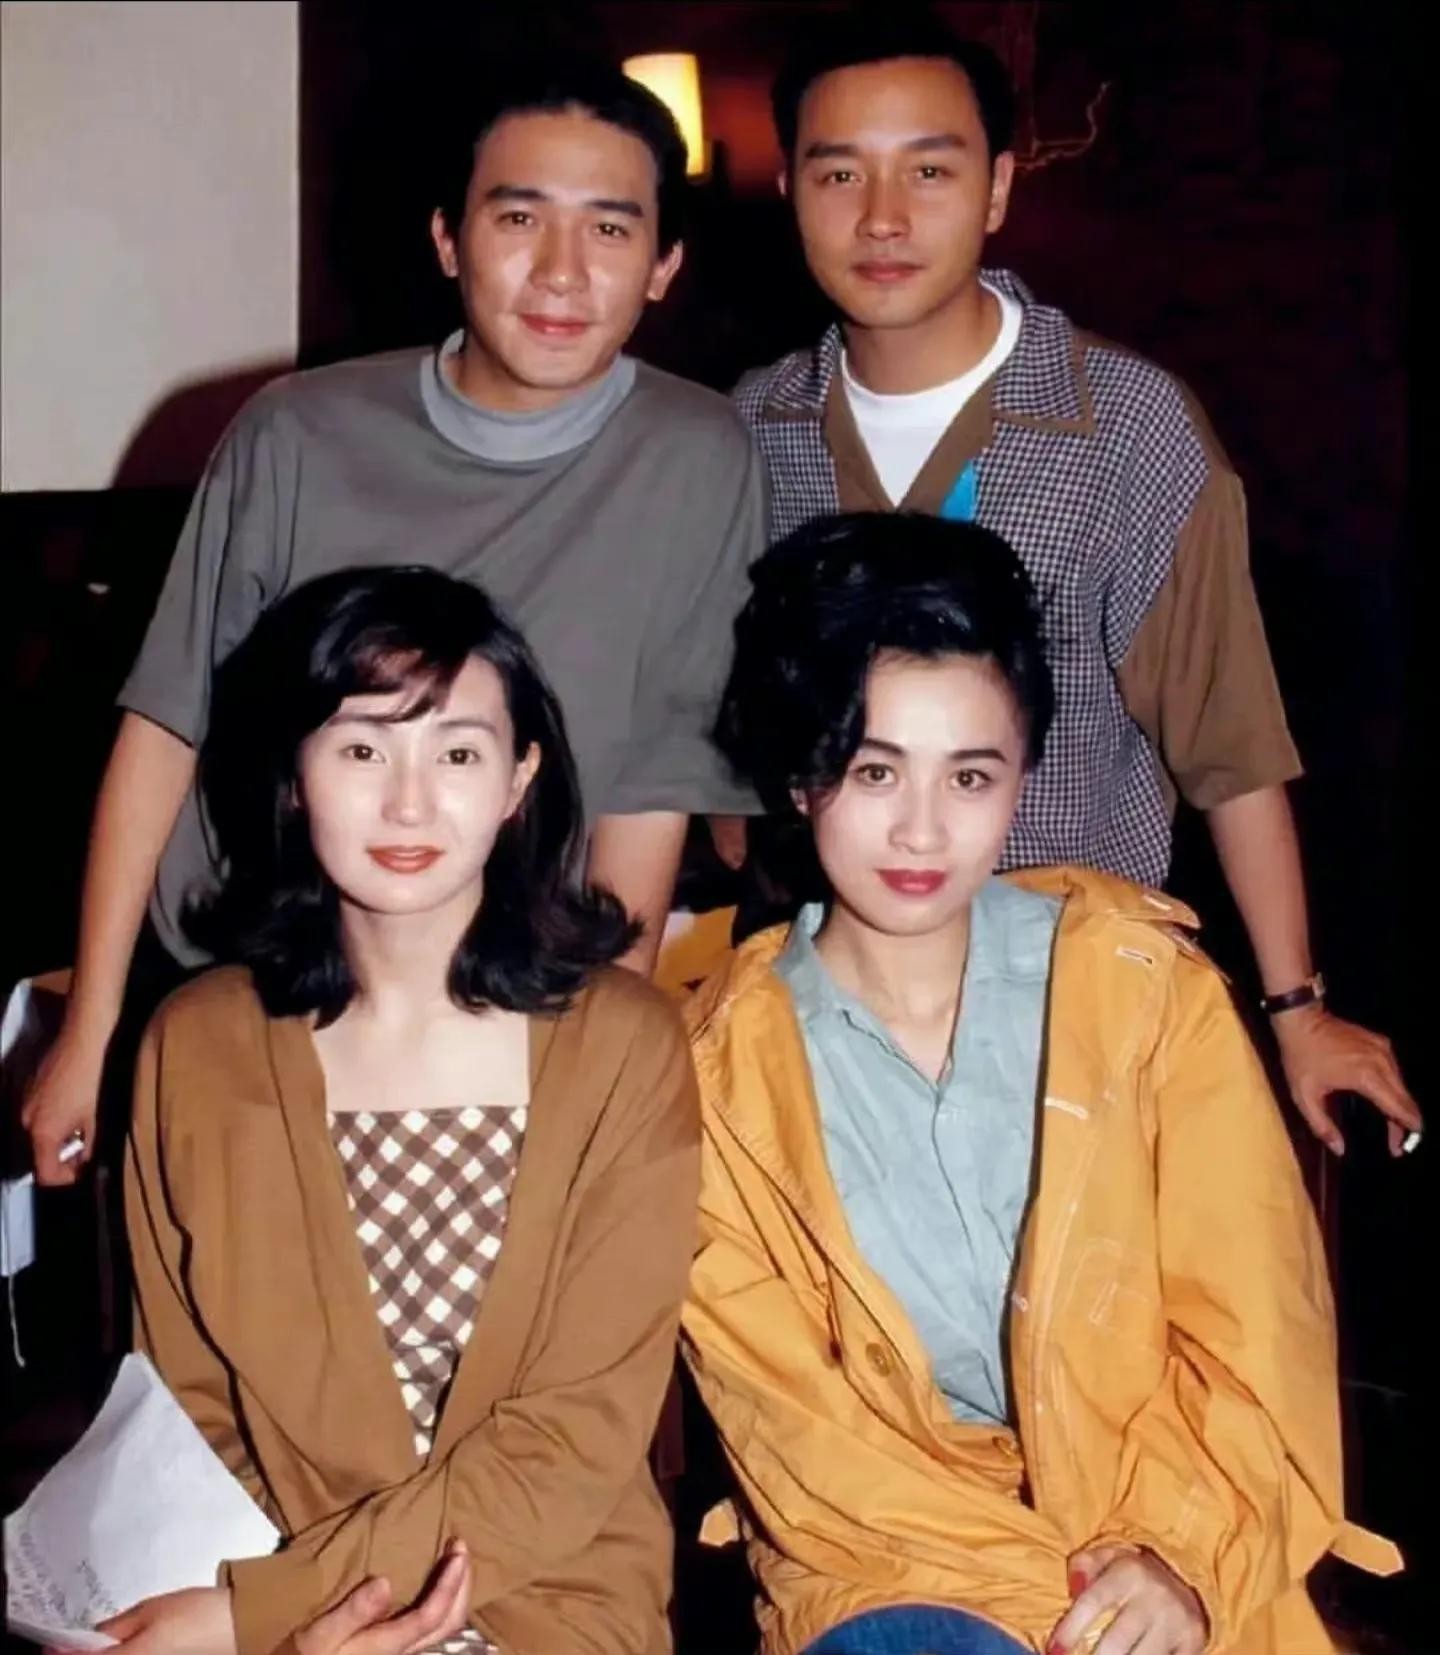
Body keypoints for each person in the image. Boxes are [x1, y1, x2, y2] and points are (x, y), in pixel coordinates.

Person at [24, 51, 763, 1186]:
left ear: (664, 263)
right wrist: (92, 1028)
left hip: (502, 988)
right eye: (519, 218)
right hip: (247, 973)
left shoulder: (697, 456)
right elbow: (164, 724)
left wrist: (602, 1067)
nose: (562, 271)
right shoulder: (297, 432)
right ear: (449, 239)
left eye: (610, 229)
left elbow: (650, 785)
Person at [680, 513, 1399, 1655]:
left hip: (1174, 1547)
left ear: (1022, 779)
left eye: (970, 774)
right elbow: (803, 1444)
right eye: (875, 770)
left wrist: (1181, 1559)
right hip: (888, 1575)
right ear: (805, 778)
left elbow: (1256, 1335)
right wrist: (1060, 1600)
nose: (922, 829)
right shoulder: (712, 1075)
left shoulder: (1143, 992)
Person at [729, 9, 1419, 1158]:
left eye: (929, 170)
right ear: (790, 188)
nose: (882, 217)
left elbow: (1230, 743)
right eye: (840, 172)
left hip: (1066, 1006)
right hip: (823, 1015)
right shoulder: (751, 428)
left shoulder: (1125, 426)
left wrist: (1297, 1006)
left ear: (998, 187)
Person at [117, 568, 698, 1655]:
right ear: (295, 773)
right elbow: (187, 1408)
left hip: (549, 1593)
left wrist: (262, 1612)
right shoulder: (195, 1045)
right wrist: (290, 1623)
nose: (410, 803)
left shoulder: (625, 1048)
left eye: (459, 754)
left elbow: (574, 1441)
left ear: (520, 779)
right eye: (362, 749)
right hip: (272, 1577)